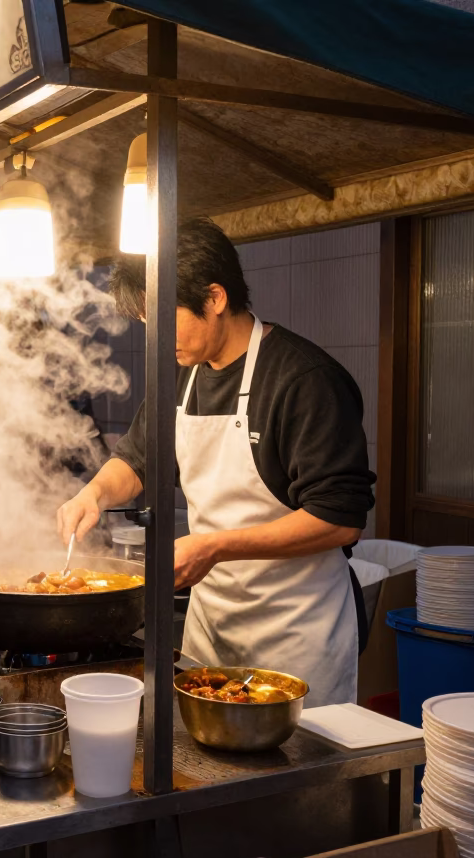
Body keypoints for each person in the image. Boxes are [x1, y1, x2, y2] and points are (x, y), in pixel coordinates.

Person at [57, 219, 375, 708]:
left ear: (216, 298)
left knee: (292, 778)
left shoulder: (304, 380)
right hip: (213, 626)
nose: (157, 338)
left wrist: (214, 547)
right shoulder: (179, 378)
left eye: (165, 318)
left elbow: (340, 521)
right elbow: (137, 462)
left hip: (296, 631)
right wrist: (92, 493)